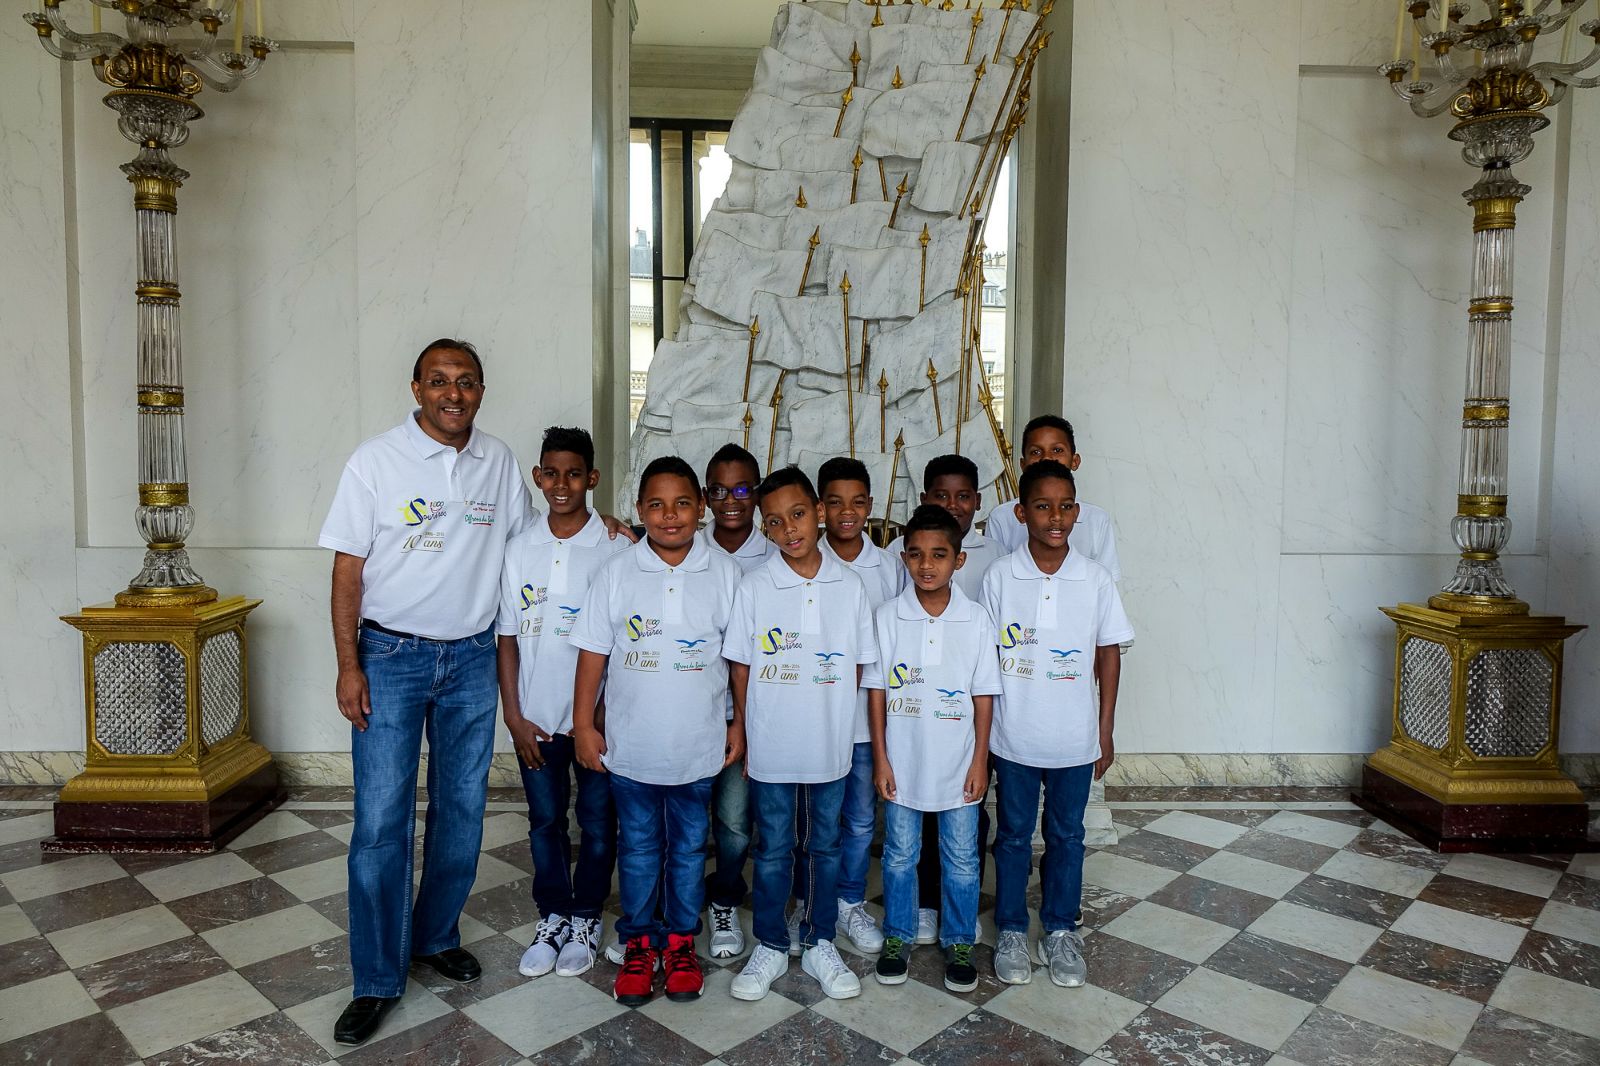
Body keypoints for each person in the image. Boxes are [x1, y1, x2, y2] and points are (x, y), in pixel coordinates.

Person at [318, 339, 534, 1046]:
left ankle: (435, 933)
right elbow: (348, 572)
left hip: (472, 659)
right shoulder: (375, 461)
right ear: (416, 387)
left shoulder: (498, 462)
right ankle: (377, 978)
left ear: (480, 390)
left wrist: (609, 534)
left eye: (466, 382)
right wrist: (351, 666)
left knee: (462, 810)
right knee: (381, 822)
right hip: (391, 656)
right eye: (439, 381)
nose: (453, 394)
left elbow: (535, 547)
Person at [570, 456, 743, 1006]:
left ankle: (681, 943)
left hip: (698, 750)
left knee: (691, 849)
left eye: (683, 503)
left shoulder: (724, 574)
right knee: (640, 849)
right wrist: (581, 724)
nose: (670, 516)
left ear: (702, 510)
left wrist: (740, 724)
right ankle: (641, 942)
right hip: (632, 750)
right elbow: (593, 653)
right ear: (639, 510)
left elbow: (738, 661)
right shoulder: (617, 572)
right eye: (657, 505)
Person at [724, 466, 877, 1003]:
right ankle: (769, 941)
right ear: (765, 530)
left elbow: (858, 665)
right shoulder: (756, 585)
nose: (789, 529)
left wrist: (833, 717)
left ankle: (817, 941)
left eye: (797, 515)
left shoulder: (850, 586)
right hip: (772, 745)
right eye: (774, 522)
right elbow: (740, 666)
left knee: (825, 845)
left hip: (829, 746)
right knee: (772, 849)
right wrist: (743, 729)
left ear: (817, 513)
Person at [980, 459, 1133, 988]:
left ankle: (1062, 929)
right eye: (1042, 506)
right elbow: (982, 660)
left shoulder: (1094, 579)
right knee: (1015, 836)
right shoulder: (1000, 577)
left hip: (1074, 738)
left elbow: (1109, 652)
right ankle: (1013, 929)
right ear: (1021, 512)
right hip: (1013, 736)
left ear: (1077, 511)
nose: (1055, 517)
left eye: (1066, 506)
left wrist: (1104, 728)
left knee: (1068, 835)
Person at [496, 427, 629, 980]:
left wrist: (596, 716)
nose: (562, 484)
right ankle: (551, 912)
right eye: (550, 473)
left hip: (595, 722)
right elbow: (507, 637)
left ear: (592, 479)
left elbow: (625, 640)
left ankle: (585, 915)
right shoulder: (519, 547)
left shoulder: (617, 546)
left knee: (598, 824)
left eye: (574, 473)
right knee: (545, 820)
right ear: (537, 477)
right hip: (536, 721)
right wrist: (514, 715)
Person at [865, 504, 1000, 993]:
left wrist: (980, 760)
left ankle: (960, 939)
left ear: (958, 562)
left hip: (959, 764)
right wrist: (881, 757)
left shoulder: (977, 620)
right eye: (917, 555)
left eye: (939, 555)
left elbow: (984, 696)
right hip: (903, 762)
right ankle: (898, 935)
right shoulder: (888, 618)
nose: (927, 565)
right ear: (903, 559)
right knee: (900, 855)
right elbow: (877, 691)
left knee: (962, 859)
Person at [808, 457, 898, 954]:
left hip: (867, 721)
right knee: (815, 819)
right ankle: (810, 899)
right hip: (814, 718)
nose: (847, 512)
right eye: (835, 502)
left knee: (860, 818)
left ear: (870, 506)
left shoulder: (887, 568)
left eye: (857, 502)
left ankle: (847, 902)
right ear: (819, 508)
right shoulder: (802, 560)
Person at [697, 443, 776, 960]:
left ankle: (725, 895)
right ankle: (671, 903)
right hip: (686, 708)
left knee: (733, 821)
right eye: (720, 491)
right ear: (704, 497)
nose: (732, 500)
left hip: (744, 715)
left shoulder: (774, 557)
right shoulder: (684, 545)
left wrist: (747, 720)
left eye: (744, 490)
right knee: (674, 820)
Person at [980, 415, 1121, 582]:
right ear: (1023, 464)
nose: (1046, 458)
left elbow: (1106, 584)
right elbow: (997, 578)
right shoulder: (1001, 517)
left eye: (1057, 450)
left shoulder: (1097, 520)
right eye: (1036, 452)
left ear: (1075, 461)